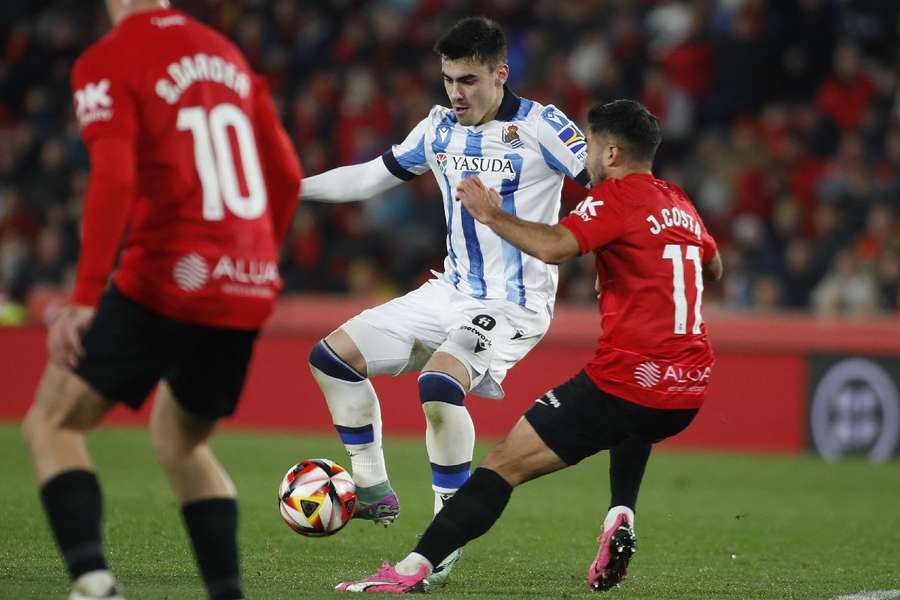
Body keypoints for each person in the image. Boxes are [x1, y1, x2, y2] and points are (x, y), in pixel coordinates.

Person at [335, 99, 723, 593]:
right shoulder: (680, 203)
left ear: (610, 152)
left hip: (628, 380)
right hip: (689, 388)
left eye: (589, 148)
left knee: (503, 465)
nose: (583, 161)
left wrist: (491, 214)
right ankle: (621, 510)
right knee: (636, 413)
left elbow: (554, 246)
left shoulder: (615, 198)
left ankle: (412, 568)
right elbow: (712, 267)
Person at [20, 2, 302, 599]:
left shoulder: (108, 58)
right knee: (182, 442)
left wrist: (85, 297)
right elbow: (285, 171)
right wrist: (254, 261)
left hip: (167, 272)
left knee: (52, 423)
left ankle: (94, 583)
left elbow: (115, 176)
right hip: (246, 284)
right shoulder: (227, 53)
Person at [301, 16, 589, 586]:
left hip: (514, 303)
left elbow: (613, 190)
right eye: (448, 80)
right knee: (330, 359)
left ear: (501, 74)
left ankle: (444, 536)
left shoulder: (544, 128)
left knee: (437, 384)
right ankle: (372, 487)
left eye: (469, 80)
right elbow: (370, 178)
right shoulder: (436, 128)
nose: (456, 93)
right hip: (448, 290)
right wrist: (294, 189)